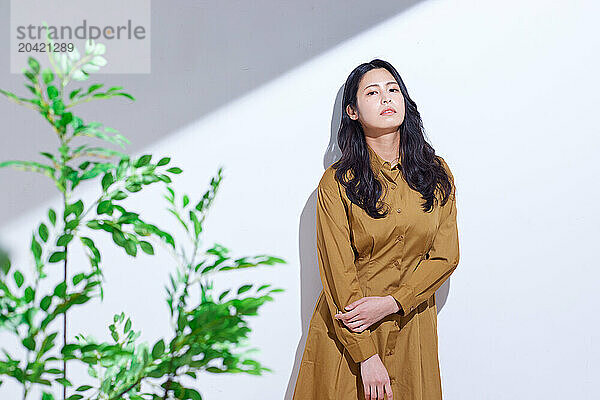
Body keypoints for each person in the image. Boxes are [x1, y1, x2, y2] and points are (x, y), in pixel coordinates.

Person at [292, 59, 460, 400]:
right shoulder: (337, 183)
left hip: (413, 329)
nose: (386, 98)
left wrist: (392, 303)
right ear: (352, 111)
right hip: (350, 334)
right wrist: (366, 355)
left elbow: (446, 257)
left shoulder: (436, 173)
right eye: (373, 92)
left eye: (393, 89)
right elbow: (338, 273)